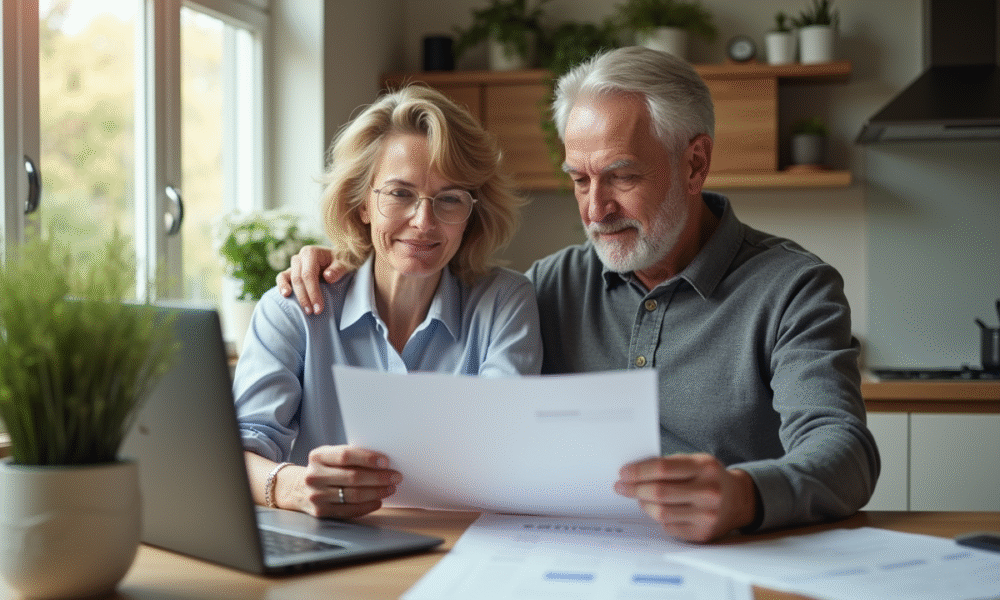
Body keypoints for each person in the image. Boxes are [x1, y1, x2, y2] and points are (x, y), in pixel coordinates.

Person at [276, 46, 880, 542]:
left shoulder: (794, 288)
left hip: (732, 561)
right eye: (579, 179)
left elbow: (845, 453)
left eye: (622, 176)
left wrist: (744, 496)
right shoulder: (547, 287)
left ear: (695, 163)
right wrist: (342, 259)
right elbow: (425, 270)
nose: (596, 209)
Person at [235, 85, 542, 520]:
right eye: (400, 193)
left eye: (449, 198)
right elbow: (239, 451)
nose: (423, 221)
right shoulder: (293, 308)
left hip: (462, 545)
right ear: (362, 203)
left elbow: (502, 448)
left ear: (471, 211)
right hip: (329, 545)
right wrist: (293, 487)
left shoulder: (505, 302)